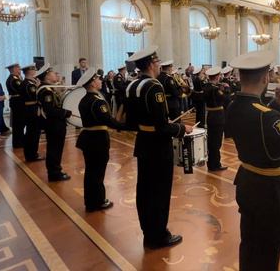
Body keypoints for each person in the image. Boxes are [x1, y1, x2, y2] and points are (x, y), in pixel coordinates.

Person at [225, 50, 280, 271]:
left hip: (247, 181)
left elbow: (260, 125)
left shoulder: (233, 106)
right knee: (269, 246)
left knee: (250, 241)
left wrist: (277, 105)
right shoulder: (266, 116)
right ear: (266, 78)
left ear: (239, 77)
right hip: (271, 191)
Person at [124, 45, 192, 249]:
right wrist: (181, 128)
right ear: (151, 64)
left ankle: (149, 232)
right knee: (160, 192)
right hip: (157, 147)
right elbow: (162, 127)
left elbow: (131, 122)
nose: (159, 65)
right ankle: (159, 235)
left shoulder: (131, 86)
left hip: (143, 143)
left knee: (144, 191)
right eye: (157, 62)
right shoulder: (153, 87)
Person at [76, 68, 126, 211]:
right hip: (97, 140)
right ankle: (97, 202)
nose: (100, 81)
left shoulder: (84, 99)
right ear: (92, 83)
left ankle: (90, 201)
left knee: (91, 171)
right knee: (97, 172)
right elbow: (108, 121)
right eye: (98, 79)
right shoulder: (97, 101)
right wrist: (126, 126)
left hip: (88, 139)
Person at [36, 64, 72, 181]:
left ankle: (56, 170)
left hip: (54, 123)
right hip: (54, 123)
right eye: (52, 73)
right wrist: (65, 112)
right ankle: (54, 173)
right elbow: (50, 110)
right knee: (54, 149)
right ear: (47, 76)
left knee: (55, 148)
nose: (54, 74)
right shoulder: (46, 91)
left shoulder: (47, 88)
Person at [203, 66, 230, 172]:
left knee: (211, 141)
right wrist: (226, 89)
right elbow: (226, 99)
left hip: (210, 115)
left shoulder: (206, 87)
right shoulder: (215, 89)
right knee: (216, 142)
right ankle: (215, 165)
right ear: (217, 76)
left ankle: (211, 163)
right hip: (217, 116)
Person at [21, 64, 44, 162]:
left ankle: (32, 153)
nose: (35, 70)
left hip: (31, 108)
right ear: (29, 71)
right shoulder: (28, 84)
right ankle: (32, 155)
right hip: (31, 109)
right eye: (34, 69)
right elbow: (34, 96)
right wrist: (38, 87)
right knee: (33, 133)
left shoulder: (30, 82)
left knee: (33, 132)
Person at [6, 63, 25, 148]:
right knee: (18, 123)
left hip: (18, 101)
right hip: (17, 102)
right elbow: (20, 89)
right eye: (18, 68)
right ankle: (18, 142)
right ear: (13, 69)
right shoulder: (13, 79)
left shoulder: (17, 78)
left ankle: (20, 141)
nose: (20, 70)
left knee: (20, 123)